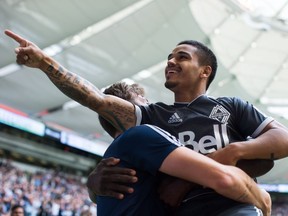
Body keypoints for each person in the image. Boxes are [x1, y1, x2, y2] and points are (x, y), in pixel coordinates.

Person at [5, 29, 288, 215]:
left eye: (181, 56)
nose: (170, 61)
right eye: (168, 57)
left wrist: (233, 152)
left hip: (233, 206)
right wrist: (45, 64)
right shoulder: (151, 117)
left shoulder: (231, 107)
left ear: (205, 71)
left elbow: (282, 139)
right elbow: (96, 99)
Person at [94, 82, 270, 216]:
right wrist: (261, 197)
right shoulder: (142, 134)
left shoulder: (113, 160)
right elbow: (223, 178)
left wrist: (91, 187)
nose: (151, 107)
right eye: (145, 102)